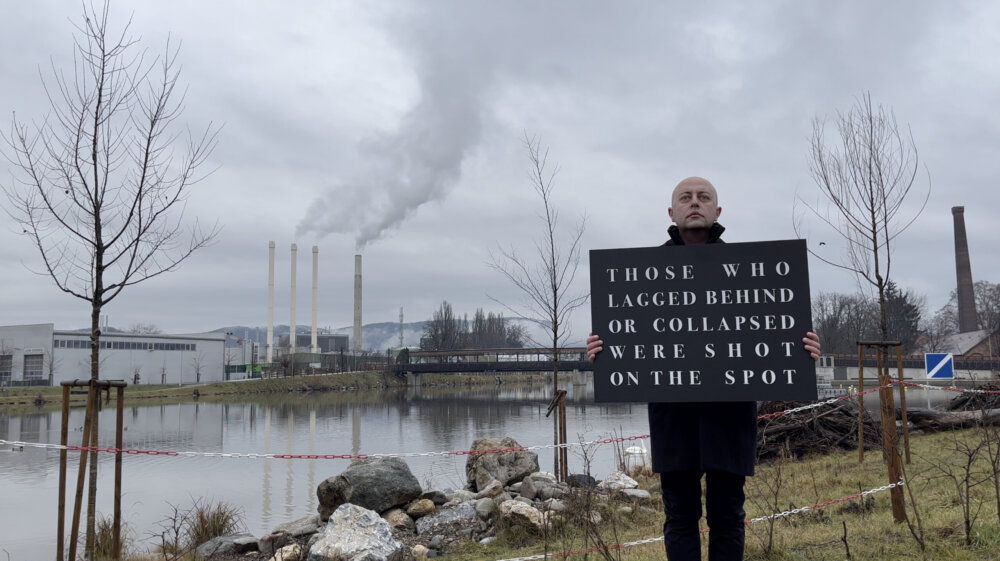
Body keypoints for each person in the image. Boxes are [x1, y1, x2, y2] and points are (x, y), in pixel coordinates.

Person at [585, 177, 822, 561]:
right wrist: (602, 350)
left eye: (703, 198)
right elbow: (627, 336)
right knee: (679, 516)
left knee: (729, 515)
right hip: (673, 416)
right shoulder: (643, 271)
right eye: (685, 198)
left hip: (729, 415)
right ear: (672, 212)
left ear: (717, 211)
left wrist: (804, 348)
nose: (694, 203)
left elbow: (777, 331)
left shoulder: (751, 269)